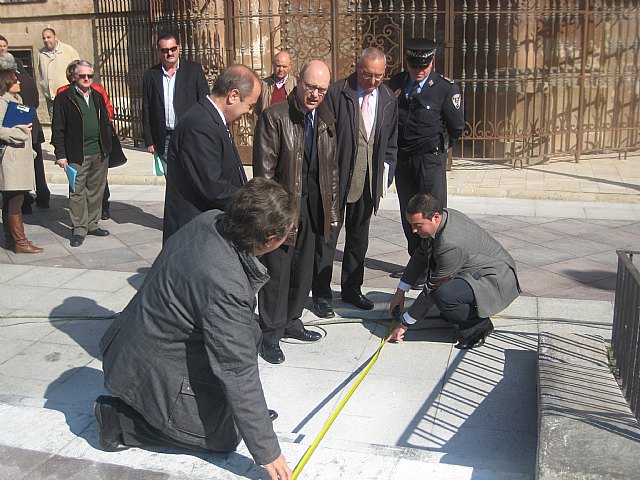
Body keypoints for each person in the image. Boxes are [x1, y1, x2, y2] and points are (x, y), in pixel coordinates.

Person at [95, 178, 294, 480]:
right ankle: (121, 421)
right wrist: (267, 450)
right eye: (288, 232)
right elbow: (236, 370)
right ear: (269, 237)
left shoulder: (212, 220)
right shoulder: (225, 284)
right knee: (222, 439)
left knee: (248, 332)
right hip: (145, 363)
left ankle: (236, 417)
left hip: (140, 343)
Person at [253, 60, 339, 364]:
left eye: (322, 89)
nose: (315, 94)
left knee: (304, 271)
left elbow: (332, 168)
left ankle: (291, 321)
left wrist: (332, 208)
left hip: (314, 207)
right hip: (283, 208)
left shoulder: (327, 118)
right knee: (277, 274)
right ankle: (270, 334)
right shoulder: (274, 117)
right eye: (310, 87)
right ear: (298, 82)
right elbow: (264, 176)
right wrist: (272, 216)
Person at [311, 47, 398, 317]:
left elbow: (392, 144)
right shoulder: (338, 93)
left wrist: (387, 172)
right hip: (338, 180)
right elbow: (323, 138)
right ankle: (322, 294)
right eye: (367, 74)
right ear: (358, 68)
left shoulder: (387, 98)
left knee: (359, 239)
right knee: (328, 239)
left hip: (369, 181)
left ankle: (352, 289)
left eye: (378, 76)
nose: (372, 81)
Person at [387, 193, 521, 350]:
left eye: (418, 225)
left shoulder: (450, 244)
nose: (414, 230)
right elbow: (421, 255)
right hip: (478, 268)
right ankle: (458, 312)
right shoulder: (443, 218)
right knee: (445, 294)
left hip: (497, 278)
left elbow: (432, 288)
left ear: (435, 217)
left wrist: (404, 323)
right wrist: (400, 292)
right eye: (411, 224)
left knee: (444, 294)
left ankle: (478, 327)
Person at [389, 38, 465, 281]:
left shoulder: (446, 89)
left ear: (432, 62)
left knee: (431, 214)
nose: (418, 71)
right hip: (404, 161)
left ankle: (436, 265)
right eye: (414, 66)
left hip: (429, 162)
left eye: (423, 66)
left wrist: (437, 149)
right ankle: (417, 264)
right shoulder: (398, 83)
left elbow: (456, 127)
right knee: (409, 213)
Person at [162, 64, 260, 244]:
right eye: (250, 105)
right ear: (233, 95)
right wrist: (254, 201)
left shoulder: (212, 120)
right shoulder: (199, 125)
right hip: (193, 235)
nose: (250, 112)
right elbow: (213, 187)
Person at [51, 60, 112, 247]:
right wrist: (60, 154)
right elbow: (58, 128)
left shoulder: (97, 96)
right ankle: (79, 228)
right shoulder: (64, 98)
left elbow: (105, 121)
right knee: (77, 191)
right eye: (82, 76)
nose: (86, 79)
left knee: (96, 190)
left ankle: (92, 223)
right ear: (74, 77)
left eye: (89, 76)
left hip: (99, 152)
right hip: (77, 154)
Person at [142, 32, 209, 173]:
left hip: (189, 135)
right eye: (165, 50)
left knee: (191, 174)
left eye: (173, 49)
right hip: (164, 137)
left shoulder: (193, 70)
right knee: (171, 178)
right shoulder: (150, 75)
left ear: (178, 48)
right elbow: (147, 108)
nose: (170, 53)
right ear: (158, 52)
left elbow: (205, 102)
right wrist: (149, 140)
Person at [0, 67, 43, 254]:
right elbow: (2, 130)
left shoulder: (17, 100)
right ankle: (20, 242)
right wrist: (23, 131)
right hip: (11, 158)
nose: (19, 82)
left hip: (20, 156)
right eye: (15, 80)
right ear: (6, 83)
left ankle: (11, 240)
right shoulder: (2, 102)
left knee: (12, 200)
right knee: (15, 199)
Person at [0, 51, 50, 212]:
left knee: (16, 195)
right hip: (18, 142)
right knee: (15, 194)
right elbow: (35, 102)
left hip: (25, 137)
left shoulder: (18, 93)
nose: (18, 82)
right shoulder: (8, 97)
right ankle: (16, 235)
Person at [37, 28, 80, 121]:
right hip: (51, 98)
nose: (46, 40)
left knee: (70, 122)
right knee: (55, 125)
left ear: (55, 37)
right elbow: (41, 73)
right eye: (44, 38)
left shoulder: (68, 50)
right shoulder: (41, 54)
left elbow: (78, 70)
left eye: (49, 37)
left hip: (67, 95)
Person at [255, 50, 296, 117]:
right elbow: (257, 108)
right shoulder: (264, 84)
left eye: (284, 66)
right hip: (268, 123)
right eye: (278, 66)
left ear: (290, 66)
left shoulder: (295, 84)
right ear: (273, 64)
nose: (281, 69)